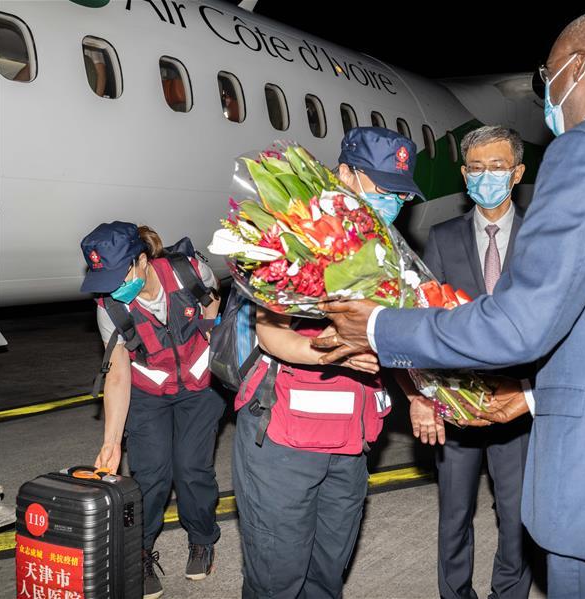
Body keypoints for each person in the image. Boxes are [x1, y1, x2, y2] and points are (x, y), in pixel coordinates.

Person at [312, 8, 585, 598]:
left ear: (576, 67)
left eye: (545, 76)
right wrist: (528, 393)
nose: (546, 94)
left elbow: (521, 325)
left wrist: (381, 327)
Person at [231, 126, 424, 599]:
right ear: (345, 174)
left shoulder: (390, 254)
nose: (392, 201)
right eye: (382, 188)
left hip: (353, 441)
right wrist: (335, 348)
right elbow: (270, 333)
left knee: (327, 571)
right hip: (285, 438)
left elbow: (393, 338)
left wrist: (417, 395)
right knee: (279, 573)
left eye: (401, 193)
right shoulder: (294, 237)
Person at [416, 125, 533, 599]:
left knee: (517, 514)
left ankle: (509, 592)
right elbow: (425, 319)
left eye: (499, 167)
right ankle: (455, 592)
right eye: (478, 168)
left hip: (519, 399)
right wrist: (428, 396)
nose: (488, 176)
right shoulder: (442, 238)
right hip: (457, 400)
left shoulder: (543, 234)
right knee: (454, 512)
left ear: (518, 172)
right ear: (465, 175)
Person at [79, 222, 224, 599]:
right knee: (150, 472)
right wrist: (111, 442)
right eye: (103, 278)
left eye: (118, 274)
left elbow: (212, 297)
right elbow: (117, 376)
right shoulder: (110, 308)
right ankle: (140, 551)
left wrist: (209, 327)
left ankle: (202, 539)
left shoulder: (188, 270)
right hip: (148, 393)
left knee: (192, 466)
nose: (112, 286)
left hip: (199, 384)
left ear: (142, 260)